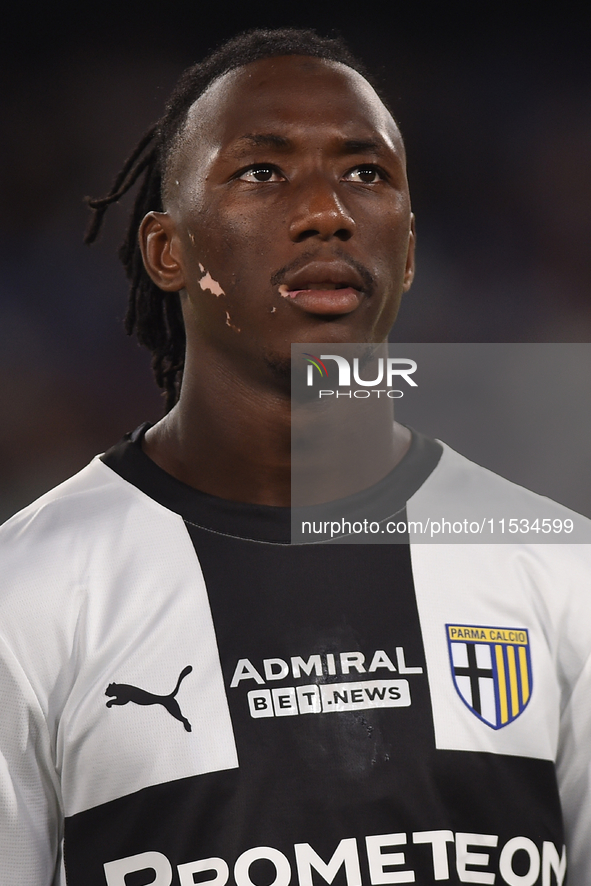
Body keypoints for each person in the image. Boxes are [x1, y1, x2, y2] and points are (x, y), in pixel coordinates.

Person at [0, 27, 589, 886]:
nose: (329, 212)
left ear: (410, 249)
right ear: (169, 251)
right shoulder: (33, 591)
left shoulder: (556, 569)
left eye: (365, 173)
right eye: (262, 172)